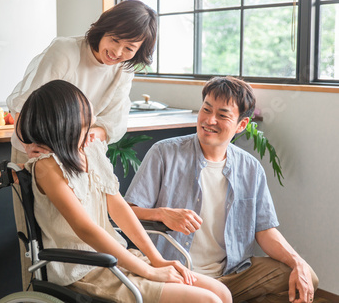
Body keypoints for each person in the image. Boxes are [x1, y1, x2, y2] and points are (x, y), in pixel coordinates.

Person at [17, 79, 232, 303]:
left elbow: (119, 207)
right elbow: (85, 230)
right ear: (65, 121)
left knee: (222, 293)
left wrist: (155, 260)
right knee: (209, 301)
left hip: (117, 258)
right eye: (83, 107)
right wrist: (148, 271)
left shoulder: (91, 149)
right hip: (83, 270)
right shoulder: (46, 166)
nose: (90, 110)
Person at [124, 76, 319, 303]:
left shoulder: (250, 167)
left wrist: (297, 262)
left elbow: (265, 230)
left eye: (223, 115)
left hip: (233, 273)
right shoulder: (164, 153)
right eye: (206, 109)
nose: (210, 120)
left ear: (241, 125)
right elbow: (125, 213)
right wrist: (161, 213)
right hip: (178, 271)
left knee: (305, 278)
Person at [6, 0, 158, 289]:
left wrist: (91, 134)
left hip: (82, 150)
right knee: (35, 237)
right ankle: (36, 292)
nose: (118, 53)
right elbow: (30, 106)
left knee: (89, 228)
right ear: (102, 29)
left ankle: (98, 275)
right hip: (39, 149)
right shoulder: (65, 51)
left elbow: (112, 123)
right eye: (115, 41)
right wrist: (35, 144)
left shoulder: (123, 68)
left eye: (130, 48)